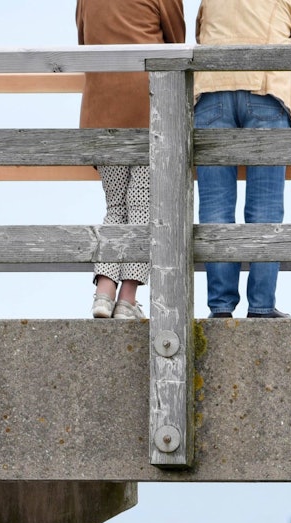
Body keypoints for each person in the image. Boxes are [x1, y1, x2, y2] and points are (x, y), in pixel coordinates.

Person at [192, 0, 291, 318]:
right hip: (265, 92)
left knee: (215, 205)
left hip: (212, 94)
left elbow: (200, 36)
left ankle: (220, 307)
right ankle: (261, 306)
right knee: (265, 207)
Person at [77, 0, 186, 321]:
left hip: (101, 110)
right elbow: (176, 44)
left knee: (115, 207)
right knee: (141, 207)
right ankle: (126, 299)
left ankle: (103, 294)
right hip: (147, 108)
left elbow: (83, 41)